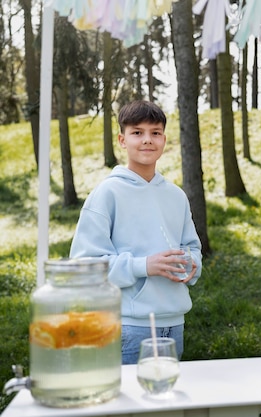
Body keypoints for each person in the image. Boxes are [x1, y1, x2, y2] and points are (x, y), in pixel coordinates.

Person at [69, 100, 202, 365]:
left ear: (164, 139)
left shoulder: (176, 196)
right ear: (122, 140)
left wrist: (191, 265)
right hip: (128, 326)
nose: (147, 140)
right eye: (137, 132)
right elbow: (83, 265)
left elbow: (192, 248)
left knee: (163, 402)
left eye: (155, 133)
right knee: (128, 405)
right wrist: (144, 265)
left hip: (174, 324)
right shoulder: (106, 193)